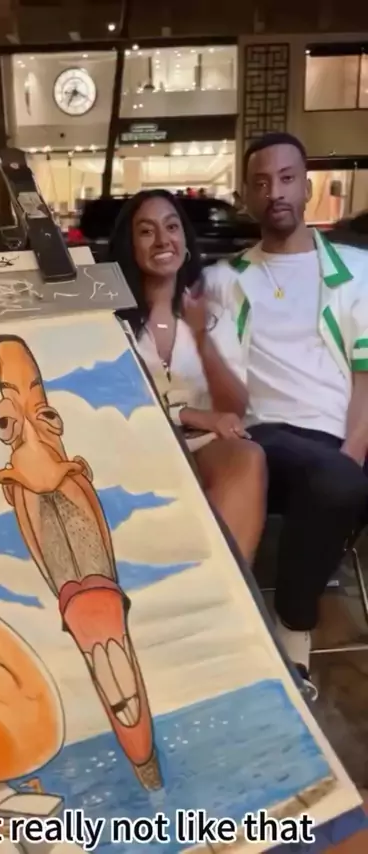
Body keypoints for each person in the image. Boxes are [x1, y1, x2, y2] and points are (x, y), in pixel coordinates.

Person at [203, 131, 368, 697]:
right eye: (262, 182)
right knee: (337, 481)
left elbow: (366, 377)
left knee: (339, 479)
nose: (275, 191)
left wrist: (352, 453)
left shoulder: (357, 271)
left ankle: (287, 624)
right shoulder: (225, 279)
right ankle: (293, 632)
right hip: (264, 437)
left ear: (307, 187)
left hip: (337, 442)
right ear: (247, 196)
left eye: (287, 178)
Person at [107, 189, 266, 565]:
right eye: (147, 231)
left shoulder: (212, 314)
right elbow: (112, 399)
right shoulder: (109, 319)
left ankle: (227, 587)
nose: (163, 240)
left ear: (185, 240)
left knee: (248, 457)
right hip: (135, 441)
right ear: (130, 246)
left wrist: (200, 338)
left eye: (172, 227)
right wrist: (189, 414)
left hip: (200, 443)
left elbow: (234, 408)